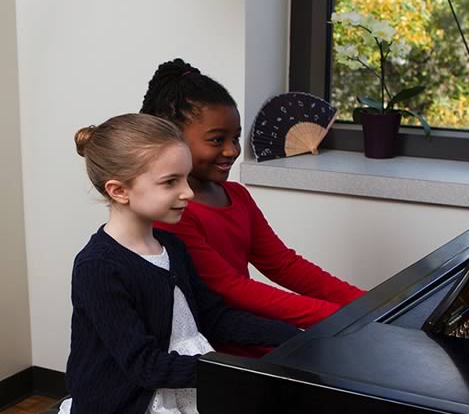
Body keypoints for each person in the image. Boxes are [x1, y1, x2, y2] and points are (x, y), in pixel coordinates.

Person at [63, 113, 299, 414]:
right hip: (130, 402)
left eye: (185, 178)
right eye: (170, 182)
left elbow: (215, 317)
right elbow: (145, 365)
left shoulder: (172, 246)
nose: (187, 192)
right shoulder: (98, 267)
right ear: (119, 190)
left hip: (184, 384)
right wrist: (234, 373)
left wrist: (293, 337)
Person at [140, 59, 366, 344]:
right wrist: (338, 318)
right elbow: (232, 289)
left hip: (248, 330)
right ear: (171, 137)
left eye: (235, 138)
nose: (232, 150)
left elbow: (284, 265)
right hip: (211, 342)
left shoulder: (238, 195)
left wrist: (362, 303)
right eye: (216, 140)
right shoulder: (172, 213)